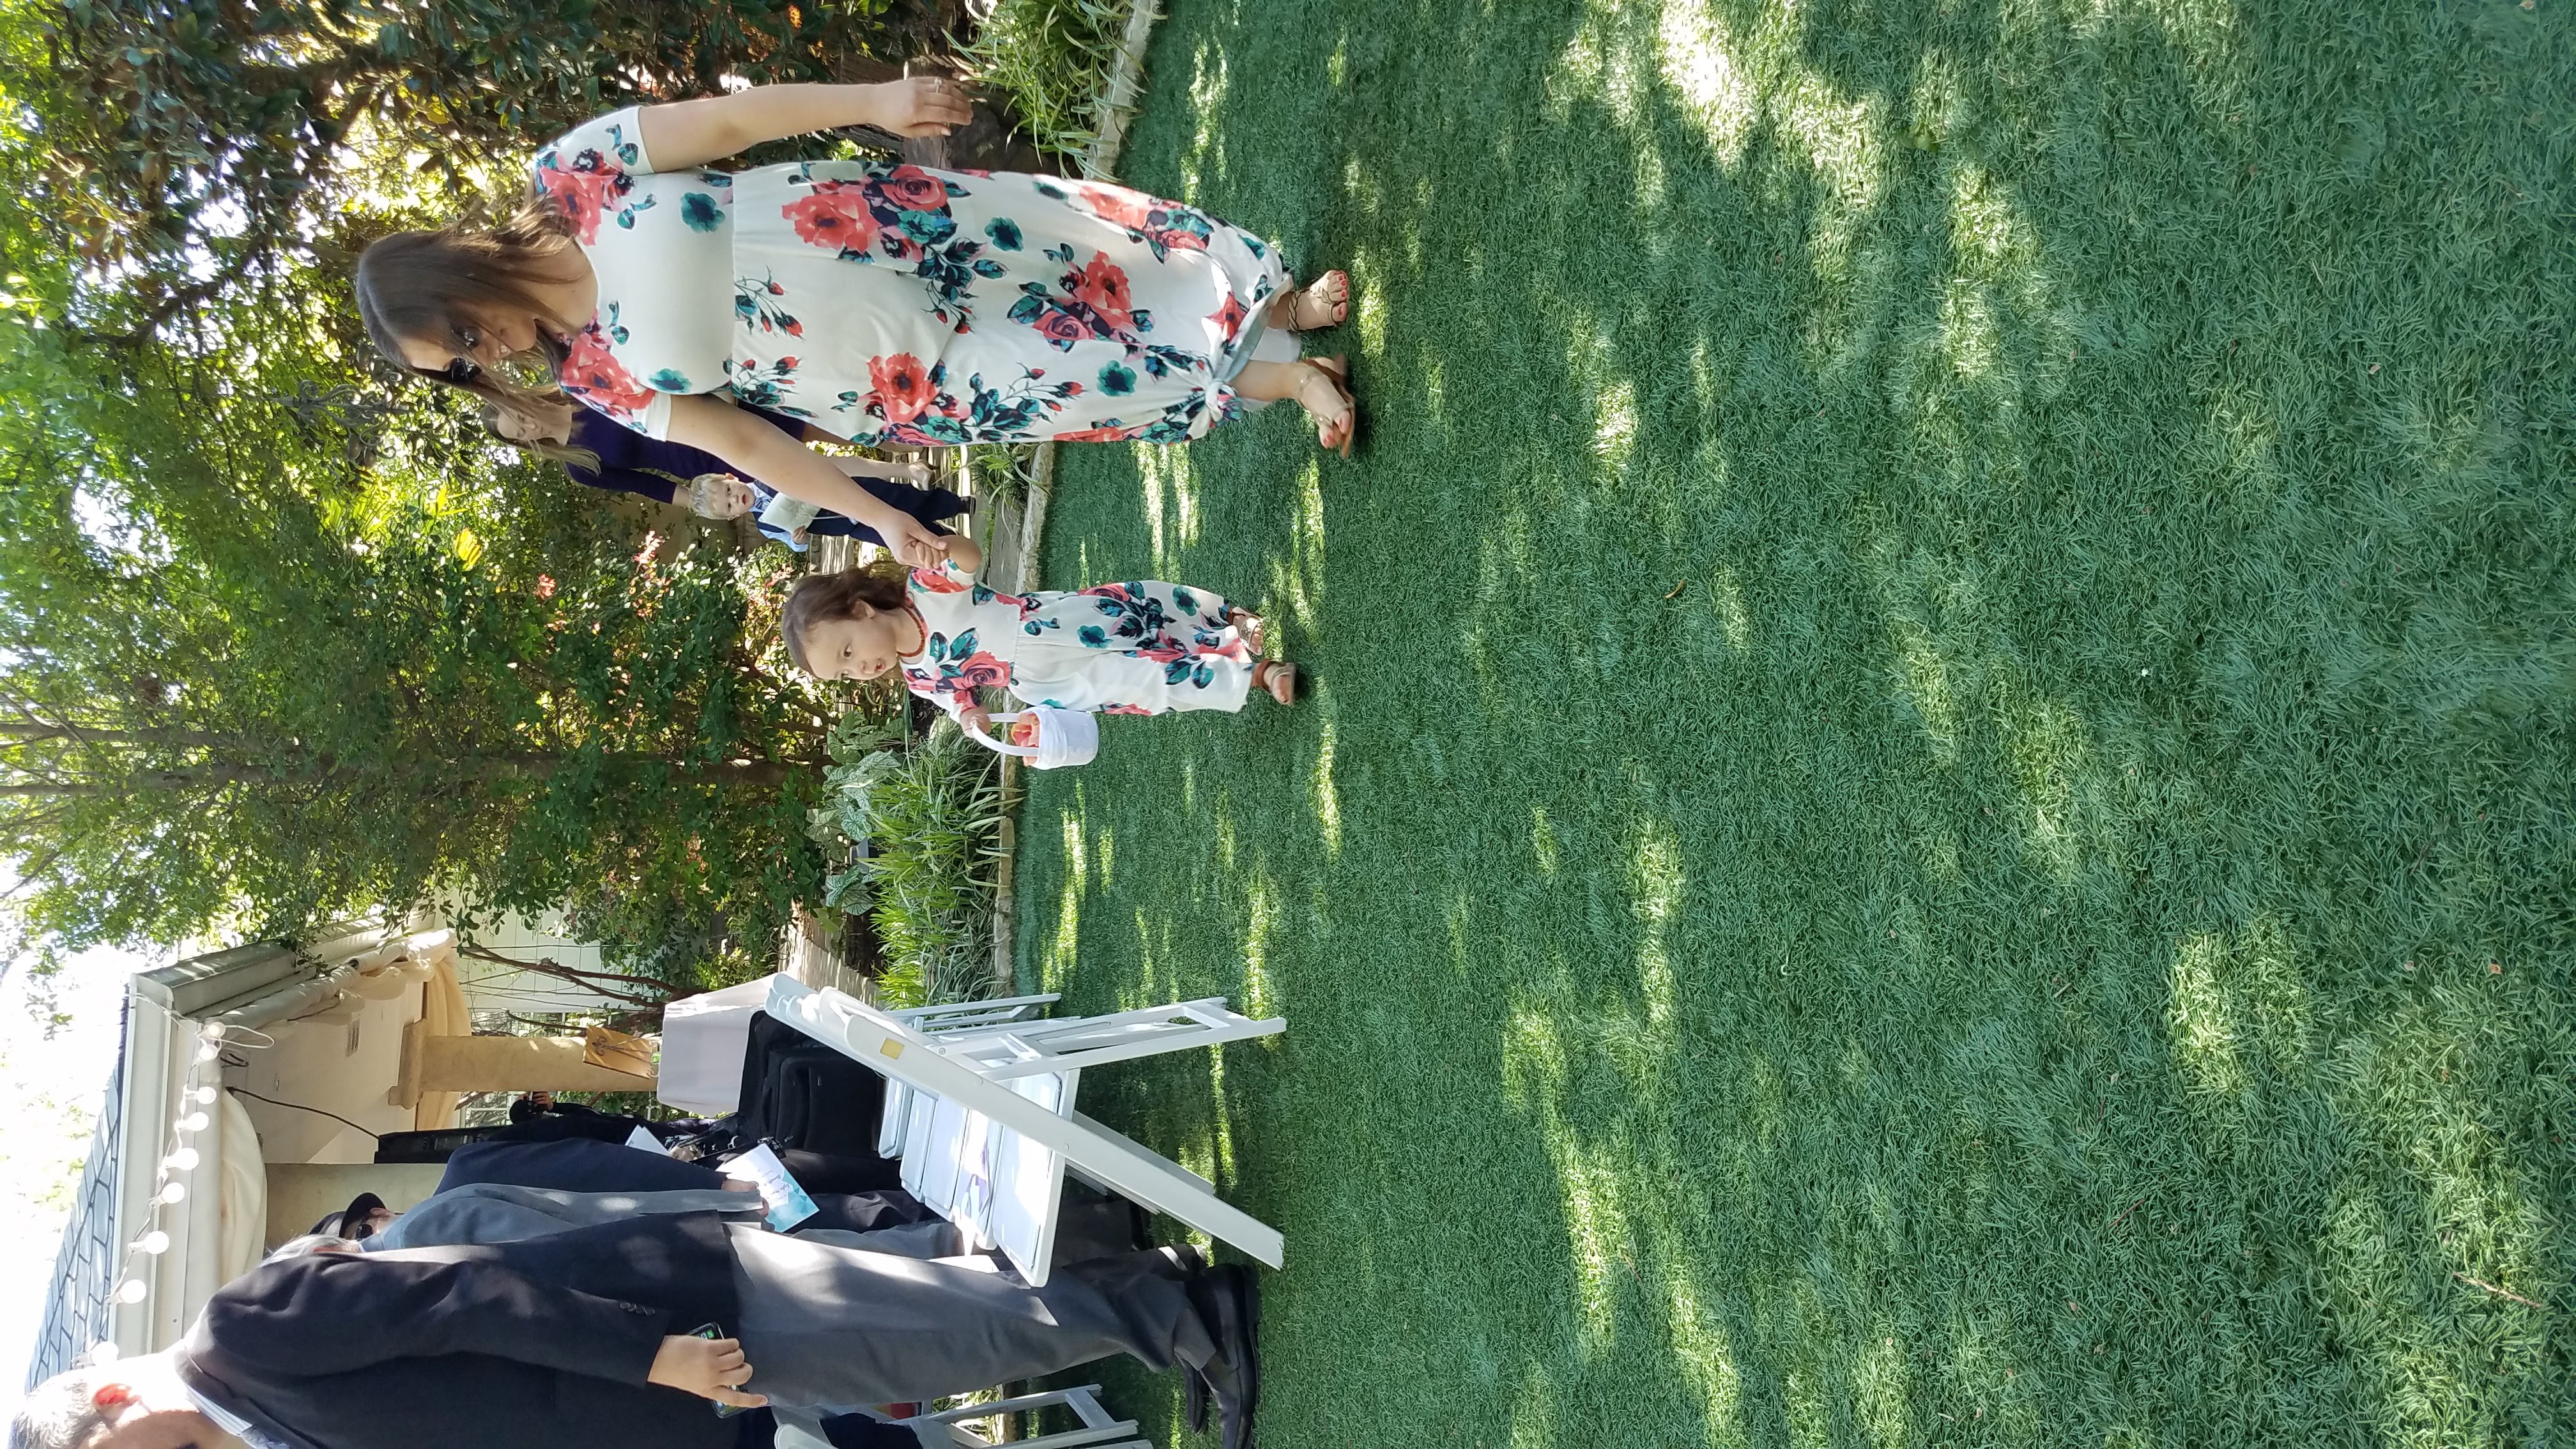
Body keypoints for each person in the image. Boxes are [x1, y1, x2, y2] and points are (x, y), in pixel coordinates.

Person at [351, 77, 1360, 572]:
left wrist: (874, 100)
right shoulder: (593, 378)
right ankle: (1292, 382)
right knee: (1102, 370)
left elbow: (726, 123)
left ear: (457, 281)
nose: (488, 359)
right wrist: (881, 518)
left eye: (466, 341)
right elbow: (742, 439)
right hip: (904, 377)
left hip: (903, 232)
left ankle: (1277, 306)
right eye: (464, 369)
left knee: (1097, 262)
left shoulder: (571, 178)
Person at [13, 1213, 1264, 1449]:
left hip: (672, 1317)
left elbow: (461, 1299)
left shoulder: (241, 1331)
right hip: (679, 1386)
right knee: (940, 1334)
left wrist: (652, 1356)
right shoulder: (251, 1419)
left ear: (113, 1406)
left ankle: (1177, 1314)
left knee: (941, 1343)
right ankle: (1153, 1296)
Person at [781, 539, 1297, 724]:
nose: (859, 669)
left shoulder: (925, 588)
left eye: (847, 650)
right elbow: (960, 702)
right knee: (1145, 681)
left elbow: (968, 560)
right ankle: (1255, 674)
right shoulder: (919, 679)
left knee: (1145, 614)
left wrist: (941, 547)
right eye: (845, 673)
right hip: (1046, 684)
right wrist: (972, 717)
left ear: (862, 608)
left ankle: (1220, 619)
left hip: (1052, 625)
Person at [486, 395, 969, 551]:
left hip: (722, 419)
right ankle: (912, 508)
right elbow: (654, 486)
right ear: (524, 442)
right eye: (518, 431)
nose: (526, 423)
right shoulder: (581, 469)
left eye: (517, 412)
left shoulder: (582, 391)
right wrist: (708, 507)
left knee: (844, 431)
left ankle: (926, 439)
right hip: (712, 467)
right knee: (823, 481)